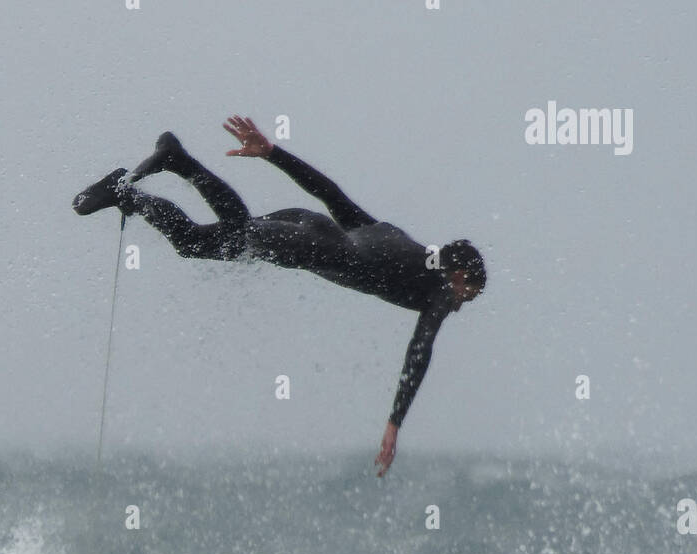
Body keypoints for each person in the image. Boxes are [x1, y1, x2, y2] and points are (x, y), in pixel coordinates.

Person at [73, 116, 486, 475]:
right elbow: (420, 351)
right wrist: (394, 424)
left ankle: (127, 193)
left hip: (303, 224)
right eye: (467, 293)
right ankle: (177, 161)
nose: (460, 304)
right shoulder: (438, 292)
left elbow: (330, 195)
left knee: (195, 243)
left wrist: (273, 152)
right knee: (235, 229)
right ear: (459, 275)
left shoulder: (399, 240)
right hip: (306, 245)